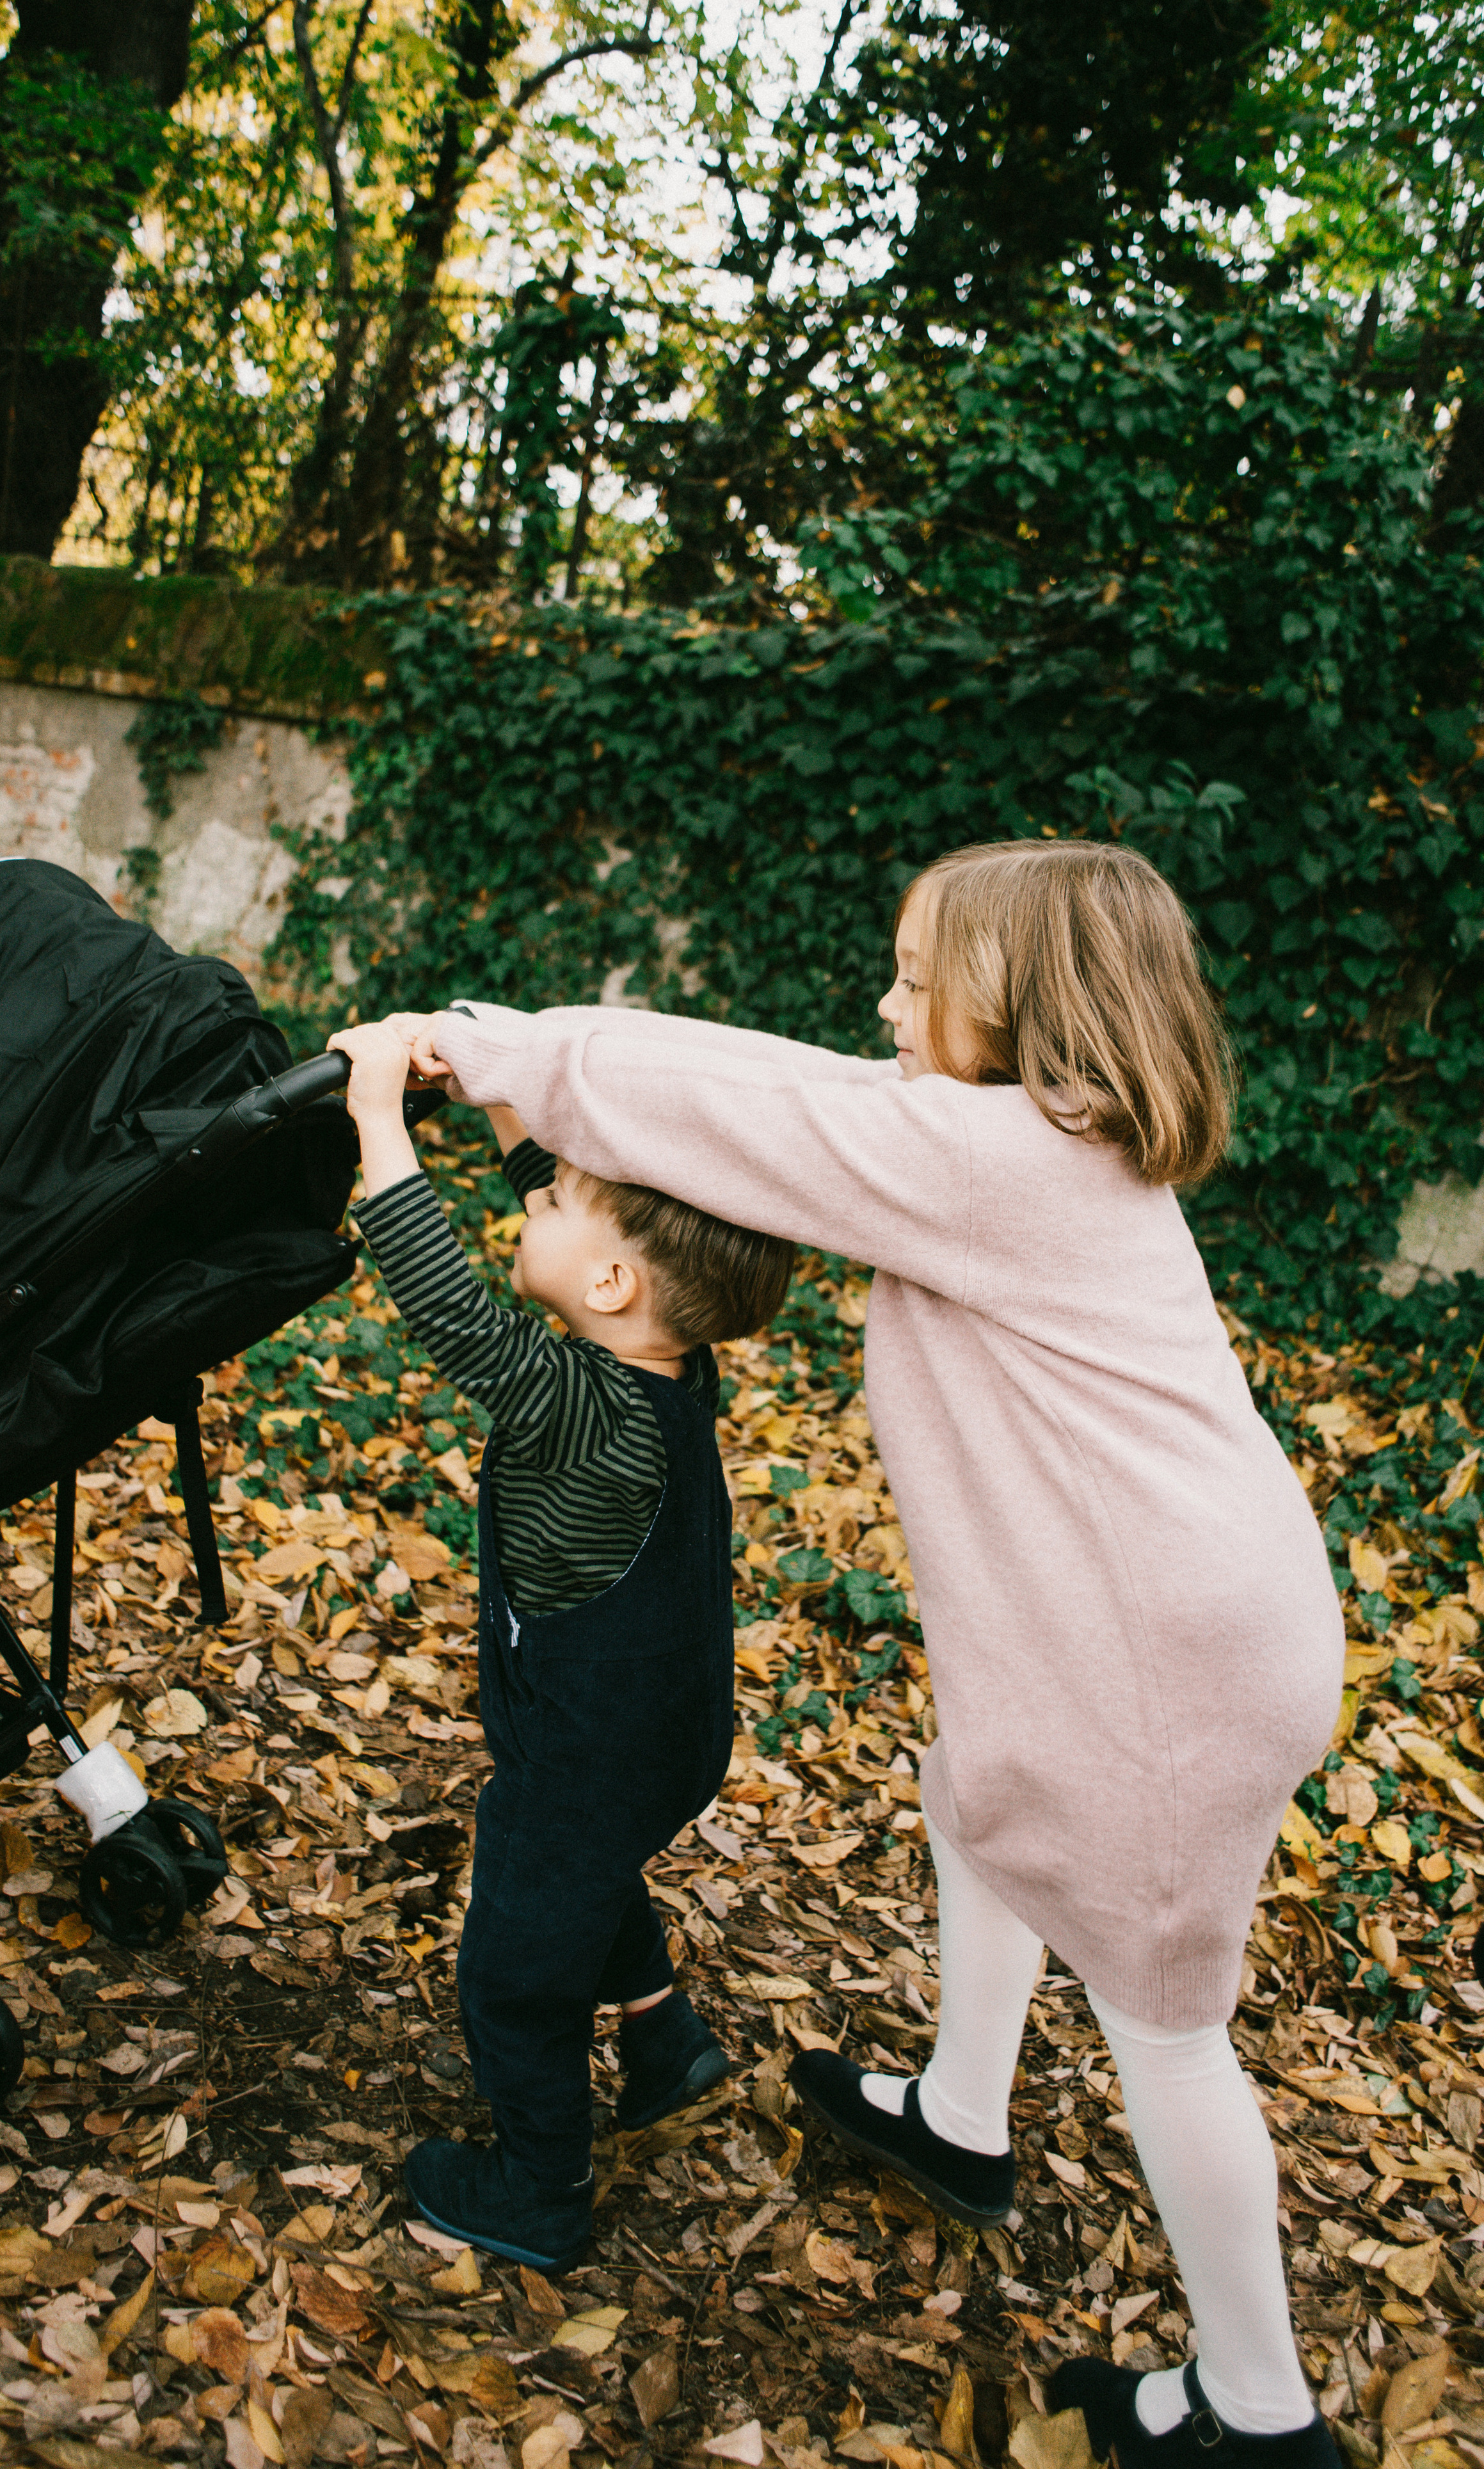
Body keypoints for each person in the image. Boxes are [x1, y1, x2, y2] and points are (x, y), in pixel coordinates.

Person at [406, 842, 1344, 2469]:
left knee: (1167, 2027)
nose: (886, 1003)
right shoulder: (1038, 1135)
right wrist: (537, 1070)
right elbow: (794, 1081)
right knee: (975, 1805)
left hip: (1166, 1669)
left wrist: (511, 1056)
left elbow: (766, 1117)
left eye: (918, 978)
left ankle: (1259, 2415)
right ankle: (960, 2119)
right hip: (1153, 1624)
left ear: (1025, 1004)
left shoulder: (998, 1163)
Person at [324, 1014, 795, 2273]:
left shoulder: (578, 1402)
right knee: (591, 1870)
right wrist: (492, 1088)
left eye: (558, 1208)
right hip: (666, 1733)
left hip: (590, 1746)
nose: (533, 1205)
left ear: (608, 1289)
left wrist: (378, 1119)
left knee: (516, 1968)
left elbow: (450, 1311)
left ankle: (539, 2188)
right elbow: (551, 1191)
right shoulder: (665, 1368)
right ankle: (657, 2032)